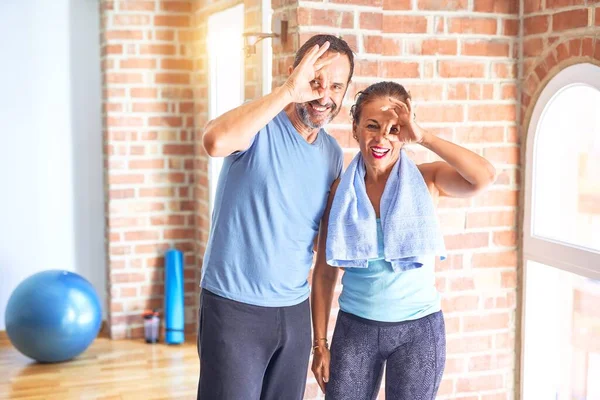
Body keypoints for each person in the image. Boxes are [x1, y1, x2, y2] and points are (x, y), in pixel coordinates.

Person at [310, 81, 497, 399]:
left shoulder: (428, 180)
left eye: (395, 129)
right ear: (355, 129)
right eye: (372, 126)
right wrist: (320, 344)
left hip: (419, 331)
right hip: (356, 328)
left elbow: (484, 176)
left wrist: (424, 136)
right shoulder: (341, 191)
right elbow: (326, 272)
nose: (381, 138)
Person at [197, 34, 355, 400]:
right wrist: (287, 91)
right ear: (294, 74)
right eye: (314, 82)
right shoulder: (259, 125)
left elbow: (321, 244)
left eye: (335, 86)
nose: (324, 95)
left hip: (294, 312)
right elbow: (214, 141)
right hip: (236, 308)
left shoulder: (331, 153)